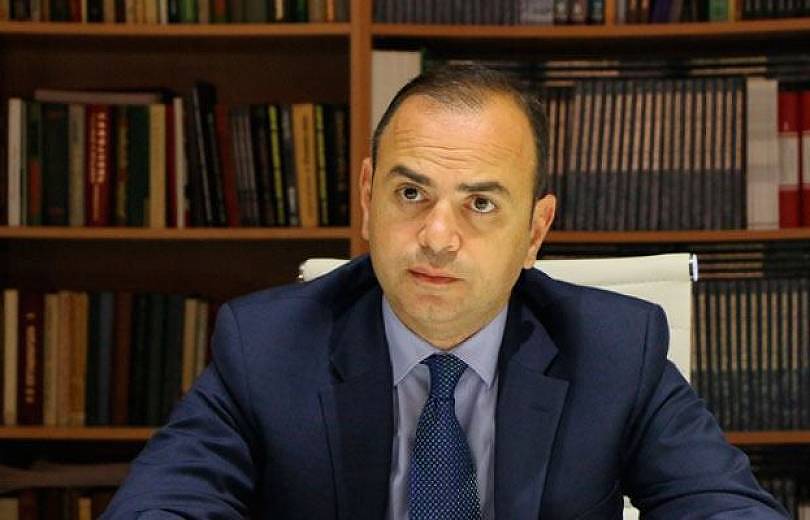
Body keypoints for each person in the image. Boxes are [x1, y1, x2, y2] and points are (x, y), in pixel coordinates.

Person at [103, 65, 788, 519]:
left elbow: (724, 508)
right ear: (367, 198)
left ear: (535, 231)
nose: (437, 236)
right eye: (410, 194)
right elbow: (163, 504)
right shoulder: (266, 348)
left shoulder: (615, 352)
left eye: (480, 204)